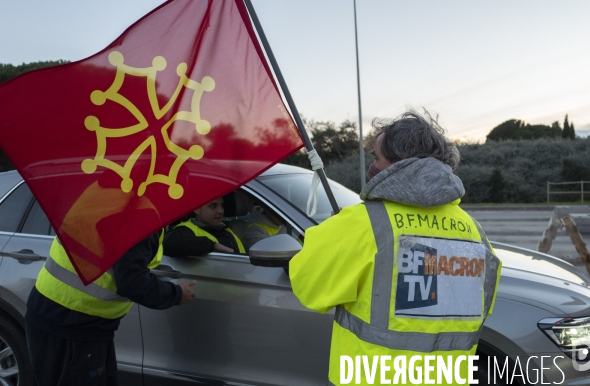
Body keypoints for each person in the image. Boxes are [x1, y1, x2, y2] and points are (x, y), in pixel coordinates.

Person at [289, 110, 502, 385]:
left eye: (377, 158)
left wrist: (332, 236)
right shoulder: (474, 232)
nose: (372, 167)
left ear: (400, 163)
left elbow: (309, 289)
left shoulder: (362, 223)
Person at [25, 229, 196, 386]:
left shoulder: (100, 200)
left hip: (54, 316)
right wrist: (176, 293)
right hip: (75, 328)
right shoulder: (142, 220)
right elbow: (132, 282)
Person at [163, 197, 245, 256]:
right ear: (197, 209)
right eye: (213, 206)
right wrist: (214, 246)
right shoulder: (185, 230)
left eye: (221, 205)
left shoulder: (225, 228)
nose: (221, 211)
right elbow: (168, 242)